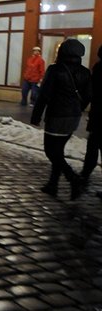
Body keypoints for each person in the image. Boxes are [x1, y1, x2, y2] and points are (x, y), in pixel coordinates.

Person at [31, 39, 92, 200]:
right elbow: (87, 96)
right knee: (58, 150)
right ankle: (53, 184)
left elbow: (44, 95)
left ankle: (73, 179)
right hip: (73, 117)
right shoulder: (85, 72)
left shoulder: (55, 69)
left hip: (57, 116)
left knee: (51, 151)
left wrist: (36, 116)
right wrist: (78, 108)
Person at [81, 44, 102, 198]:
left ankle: (85, 175)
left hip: (98, 116)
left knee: (93, 147)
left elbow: (91, 91)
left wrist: (81, 107)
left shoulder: (99, 68)